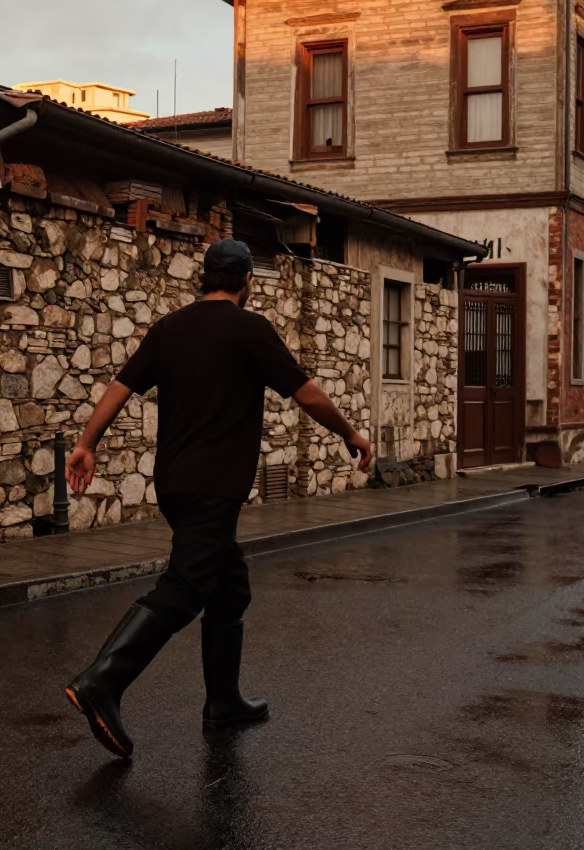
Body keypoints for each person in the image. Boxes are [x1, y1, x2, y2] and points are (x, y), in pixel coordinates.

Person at [63, 239, 374, 758]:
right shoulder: (250, 329)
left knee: (228, 585)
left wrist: (86, 443)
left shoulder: (170, 328)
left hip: (175, 485)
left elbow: (120, 387)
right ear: (247, 280)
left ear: (205, 277)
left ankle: (224, 702)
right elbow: (307, 392)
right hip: (213, 486)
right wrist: (350, 432)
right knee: (186, 587)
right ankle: (102, 681)